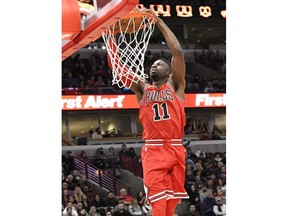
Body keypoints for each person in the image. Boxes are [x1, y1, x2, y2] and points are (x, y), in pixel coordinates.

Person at [106, 8, 189, 216]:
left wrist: (158, 21)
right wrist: (109, 36)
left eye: (159, 64)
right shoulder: (143, 88)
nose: (154, 66)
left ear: (168, 71)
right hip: (153, 149)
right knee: (158, 201)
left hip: (176, 148)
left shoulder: (176, 85)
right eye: (152, 65)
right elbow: (118, 68)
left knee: (172, 203)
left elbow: (177, 51)